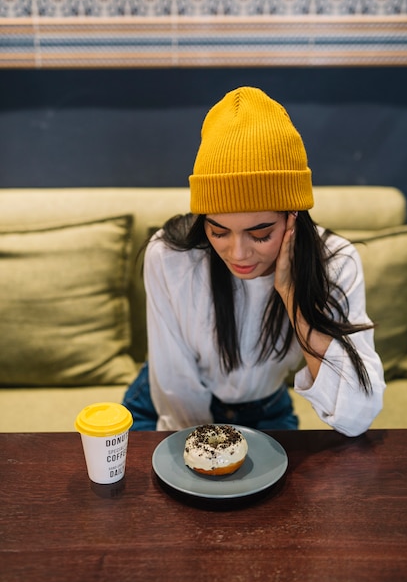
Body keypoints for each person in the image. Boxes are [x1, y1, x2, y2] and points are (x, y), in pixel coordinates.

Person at [123, 86, 385, 436]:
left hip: (266, 409)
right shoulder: (171, 256)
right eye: (218, 231)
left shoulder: (336, 263)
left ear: (294, 216)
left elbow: (357, 416)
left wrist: (294, 299)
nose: (238, 253)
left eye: (260, 234)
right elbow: (177, 387)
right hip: (159, 403)